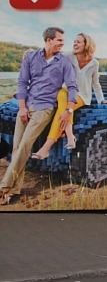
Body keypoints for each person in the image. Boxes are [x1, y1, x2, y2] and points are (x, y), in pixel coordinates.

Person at [0, 27, 79, 206]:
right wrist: (22, 108)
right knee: (16, 148)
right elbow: (22, 82)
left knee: (24, 146)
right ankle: (13, 191)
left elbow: (73, 86)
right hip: (27, 106)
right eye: (59, 40)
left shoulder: (63, 62)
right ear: (49, 40)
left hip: (44, 108)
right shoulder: (31, 57)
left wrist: (68, 109)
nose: (62, 43)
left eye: (63, 41)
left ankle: (3, 187)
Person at [31, 32, 107, 161]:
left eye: (78, 42)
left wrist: (101, 100)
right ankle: (69, 136)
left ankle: (47, 147)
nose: (75, 44)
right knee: (62, 98)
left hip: (82, 95)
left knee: (62, 110)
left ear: (86, 44)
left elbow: (95, 83)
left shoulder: (94, 63)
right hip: (65, 91)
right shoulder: (68, 56)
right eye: (74, 41)